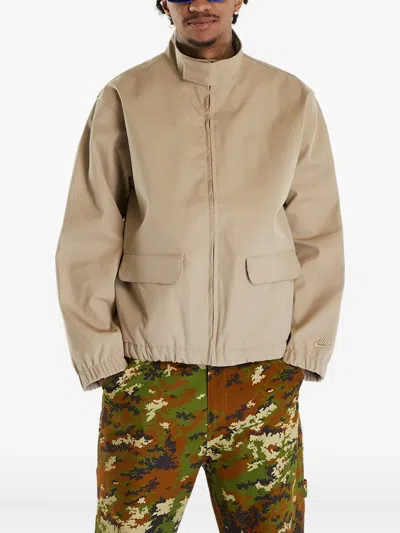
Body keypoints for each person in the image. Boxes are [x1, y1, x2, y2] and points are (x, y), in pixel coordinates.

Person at [55, 0, 345, 531]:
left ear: (240, 1)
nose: (199, 3)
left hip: (262, 369)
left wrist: (306, 349)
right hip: (150, 369)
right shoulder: (126, 96)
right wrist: (101, 355)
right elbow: (89, 231)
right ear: (163, 3)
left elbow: (317, 232)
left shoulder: (291, 98)